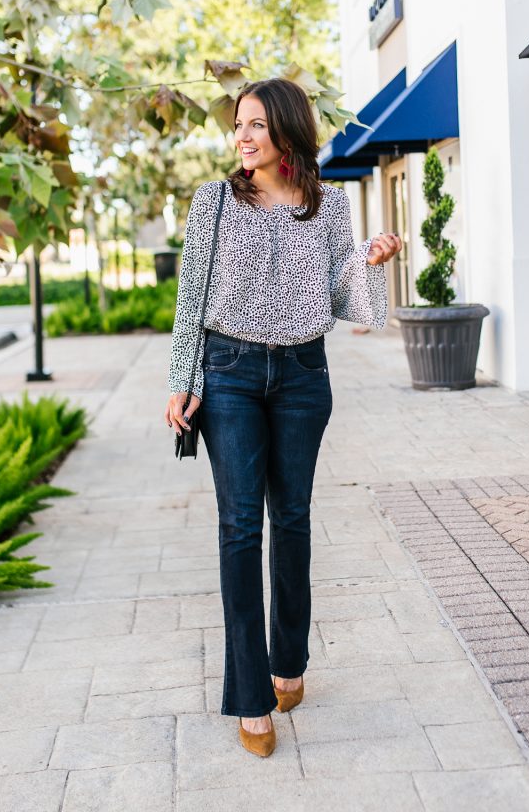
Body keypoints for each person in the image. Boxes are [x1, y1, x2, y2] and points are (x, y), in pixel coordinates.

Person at [164, 77, 402, 757]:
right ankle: (251, 697)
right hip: (230, 373)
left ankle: (289, 661)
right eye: (238, 125)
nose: (241, 136)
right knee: (242, 525)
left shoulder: (326, 207)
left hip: (302, 375)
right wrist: (182, 380)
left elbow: (334, 295)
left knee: (291, 518)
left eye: (256, 126)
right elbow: (189, 299)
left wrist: (368, 261)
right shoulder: (211, 203)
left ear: (287, 133)